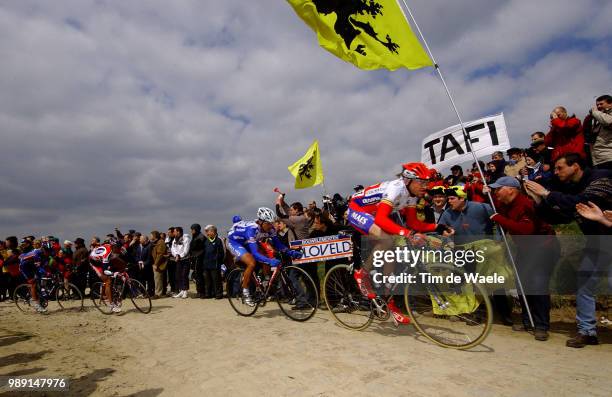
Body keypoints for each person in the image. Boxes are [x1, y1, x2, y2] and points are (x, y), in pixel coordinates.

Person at [347, 162, 454, 325]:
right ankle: (362, 274)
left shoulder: (412, 194)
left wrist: (437, 227)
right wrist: (408, 233)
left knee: (392, 252)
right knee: (387, 239)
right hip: (357, 209)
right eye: (421, 182)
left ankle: (388, 302)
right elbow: (382, 219)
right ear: (408, 180)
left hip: (375, 213)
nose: (425, 186)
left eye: (426, 182)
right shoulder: (396, 188)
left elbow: (413, 223)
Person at [525, 153, 611, 348]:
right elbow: (561, 217)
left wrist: (547, 194)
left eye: (560, 168)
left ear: (576, 166)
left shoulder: (602, 177)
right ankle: (587, 331)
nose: (556, 172)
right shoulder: (568, 188)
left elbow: (584, 202)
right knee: (585, 284)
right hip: (596, 243)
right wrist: (539, 201)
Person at [485, 177, 560, 341]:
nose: (495, 192)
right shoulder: (505, 204)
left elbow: (525, 230)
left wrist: (498, 218)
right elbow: (500, 214)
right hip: (525, 250)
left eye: (499, 189)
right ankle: (528, 321)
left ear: (511, 190)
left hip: (543, 248)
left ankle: (541, 326)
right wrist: (487, 195)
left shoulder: (526, 204)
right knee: (522, 284)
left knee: (538, 285)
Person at [226, 207, 302, 306]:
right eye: (269, 223)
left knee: (266, 255)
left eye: (272, 223)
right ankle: (245, 292)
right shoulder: (252, 230)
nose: (271, 226)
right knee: (251, 262)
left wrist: (290, 252)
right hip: (235, 242)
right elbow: (255, 254)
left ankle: (265, 280)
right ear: (261, 222)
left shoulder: (270, 229)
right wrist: (270, 261)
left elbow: (278, 245)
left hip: (248, 241)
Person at [89, 238, 129, 313]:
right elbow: (104, 270)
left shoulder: (119, 248)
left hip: (105, 258)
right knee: (108, 280)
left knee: (123, 264)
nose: (119, 249)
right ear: (113, 247)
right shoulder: (107, 253)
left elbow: (126, 259)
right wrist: (113, 273)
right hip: (95, 262)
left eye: (120, 247)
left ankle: (116, 290)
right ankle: (111, 304)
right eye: (117, 247)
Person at [18, 242, 53, 313]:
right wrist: (46, 273)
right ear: (43, 249)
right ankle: (37, 304)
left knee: (40, 279)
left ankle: (39, 296)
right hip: (24, 267)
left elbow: (45, 265)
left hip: (31, 265)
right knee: (33, 284)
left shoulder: (46, 255)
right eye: (47, 251)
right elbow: (39, 267)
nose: (49, 252)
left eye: (50, 251)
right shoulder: (37, 253)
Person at [587, 94, 612, 169]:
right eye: (597, 105)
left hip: (609, 157)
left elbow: (608, 121)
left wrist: (594, 112)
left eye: (601, 104)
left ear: (610, 103)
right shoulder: (599, 117)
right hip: (599, 159)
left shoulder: (600, 115)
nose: (598, 106)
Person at [202, 225, 225, 299]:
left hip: (215, 264)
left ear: (213, 231)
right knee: (207, 280)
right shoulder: (206, 240)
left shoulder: (218, 240)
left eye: (208, 231)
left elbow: (222, 253)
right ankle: (208, 294)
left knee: (216, 280)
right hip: (206, 263)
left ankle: (218, 294)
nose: (207, 233)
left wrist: (217, 260)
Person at [171, 227, 191, 299]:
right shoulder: (174, 239)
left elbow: (186, 249)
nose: (174, 233)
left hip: (185, 259)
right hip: (178, 259)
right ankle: (181, 290)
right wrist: (176, 255)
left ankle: (185, 291)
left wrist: (179, 256)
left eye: (175, 231)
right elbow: (173, 248)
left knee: (184, 275)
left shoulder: (186, 238)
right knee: (178, 275)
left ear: (178, 232)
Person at [189, 224, 206, 298]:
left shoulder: (201, 237)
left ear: (196, 229)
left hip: (199, 259)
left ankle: (201, 292)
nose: (191, 231)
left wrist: (197, 256)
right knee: (196, 276)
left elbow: (200, 249)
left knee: (199, 276)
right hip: (195, 258)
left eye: (192, 229)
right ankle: (199, 291)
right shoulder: (195, 237)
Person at [150, 230, 168, 299]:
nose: (150, 236)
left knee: (158, 279)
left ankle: (158, 293)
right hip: (156, 263)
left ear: (154, 236)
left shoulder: (160, 242)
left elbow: (160, 254)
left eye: (151, 235)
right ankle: (160, 292)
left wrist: (156, 264)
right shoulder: (155, 242)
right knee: (157, 278)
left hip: (159, 264)